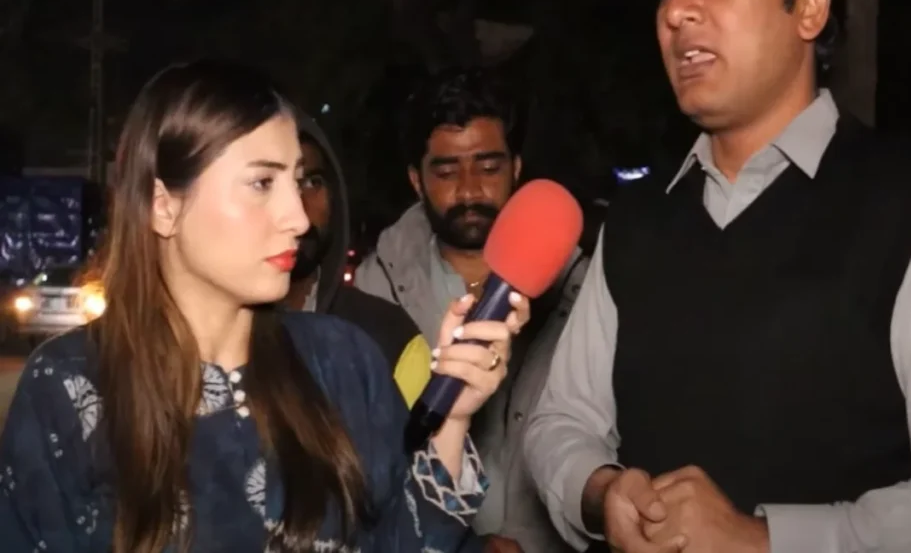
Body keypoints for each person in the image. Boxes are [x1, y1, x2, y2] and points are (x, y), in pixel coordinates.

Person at [525, 0, 911, 553]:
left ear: (809, 9)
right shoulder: (635, 220)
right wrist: (602, 491)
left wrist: (763, 540)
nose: (677, 10)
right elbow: (560, 421)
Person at [0, 59, 529, 552]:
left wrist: (453, 420)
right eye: (261, 183)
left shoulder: (344, 362)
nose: (298, 217)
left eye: (297, 182)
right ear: (163, 206)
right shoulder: (68, 386)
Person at [355, 68, 589, 553]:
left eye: (488, 168)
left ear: (516, 168)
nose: (468, 190)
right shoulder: (374, 293)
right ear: (416, 180)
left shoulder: (582, 290)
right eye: (446, 172)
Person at [282, 110, 432, 407]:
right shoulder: (199, 340)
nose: (297, 208)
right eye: (265, 184)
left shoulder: (388, 338)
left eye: (311, 182)